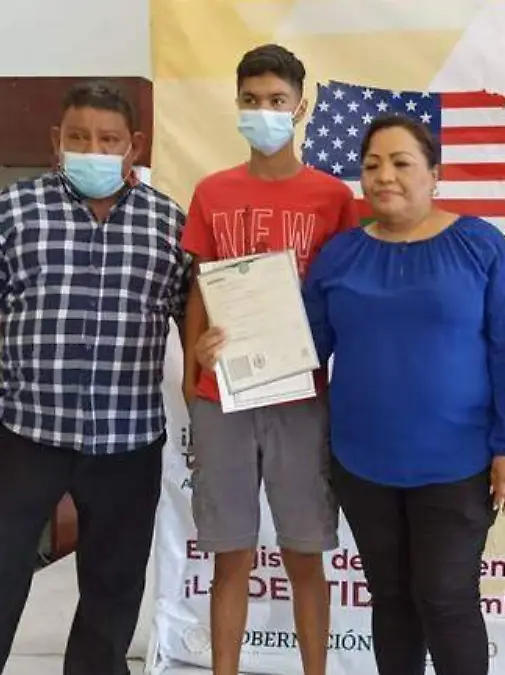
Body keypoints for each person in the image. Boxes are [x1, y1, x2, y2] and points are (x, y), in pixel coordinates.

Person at [0, 80, 190, 675]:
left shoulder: (168, 223)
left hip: (127, 439)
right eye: (79, 137)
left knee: (114, 584)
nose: (93, 150)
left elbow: (195, 317)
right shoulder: (12, 209)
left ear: (133, 145)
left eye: (108, 140)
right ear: (57, 140)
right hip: (26, 432)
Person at [301, 115, 505, 675]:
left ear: (434, 175)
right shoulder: (339, 255)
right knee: (390, 597)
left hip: (458, 463)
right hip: (363, 464)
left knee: (445, 596)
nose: (384, 175)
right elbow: (305, 348)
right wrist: (234, 345)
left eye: (401, 163)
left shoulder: (479, 246)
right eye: (372, 165)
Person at [182, 44, 356, 675]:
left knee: (304, 555)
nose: (264, 111)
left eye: (277, 101)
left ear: (300, 107)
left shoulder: (333, 198)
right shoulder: (212, 192)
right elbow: (199, 286)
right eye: (251, 100)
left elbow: (346, 296)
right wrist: (192, 366)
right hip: (222, 394)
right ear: (236, 104)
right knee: (230, 556)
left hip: (300, 395)